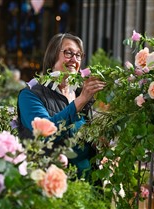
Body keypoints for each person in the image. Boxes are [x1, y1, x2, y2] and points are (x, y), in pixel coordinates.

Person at [17, 33, 106, 179]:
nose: (74, 59)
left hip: (90, 182)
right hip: (56, 183)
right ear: (53, 55)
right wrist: (81, 101)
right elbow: (44, 133)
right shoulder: (30, 95)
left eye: (78, 55)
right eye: (68, 53)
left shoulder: (79, 93)